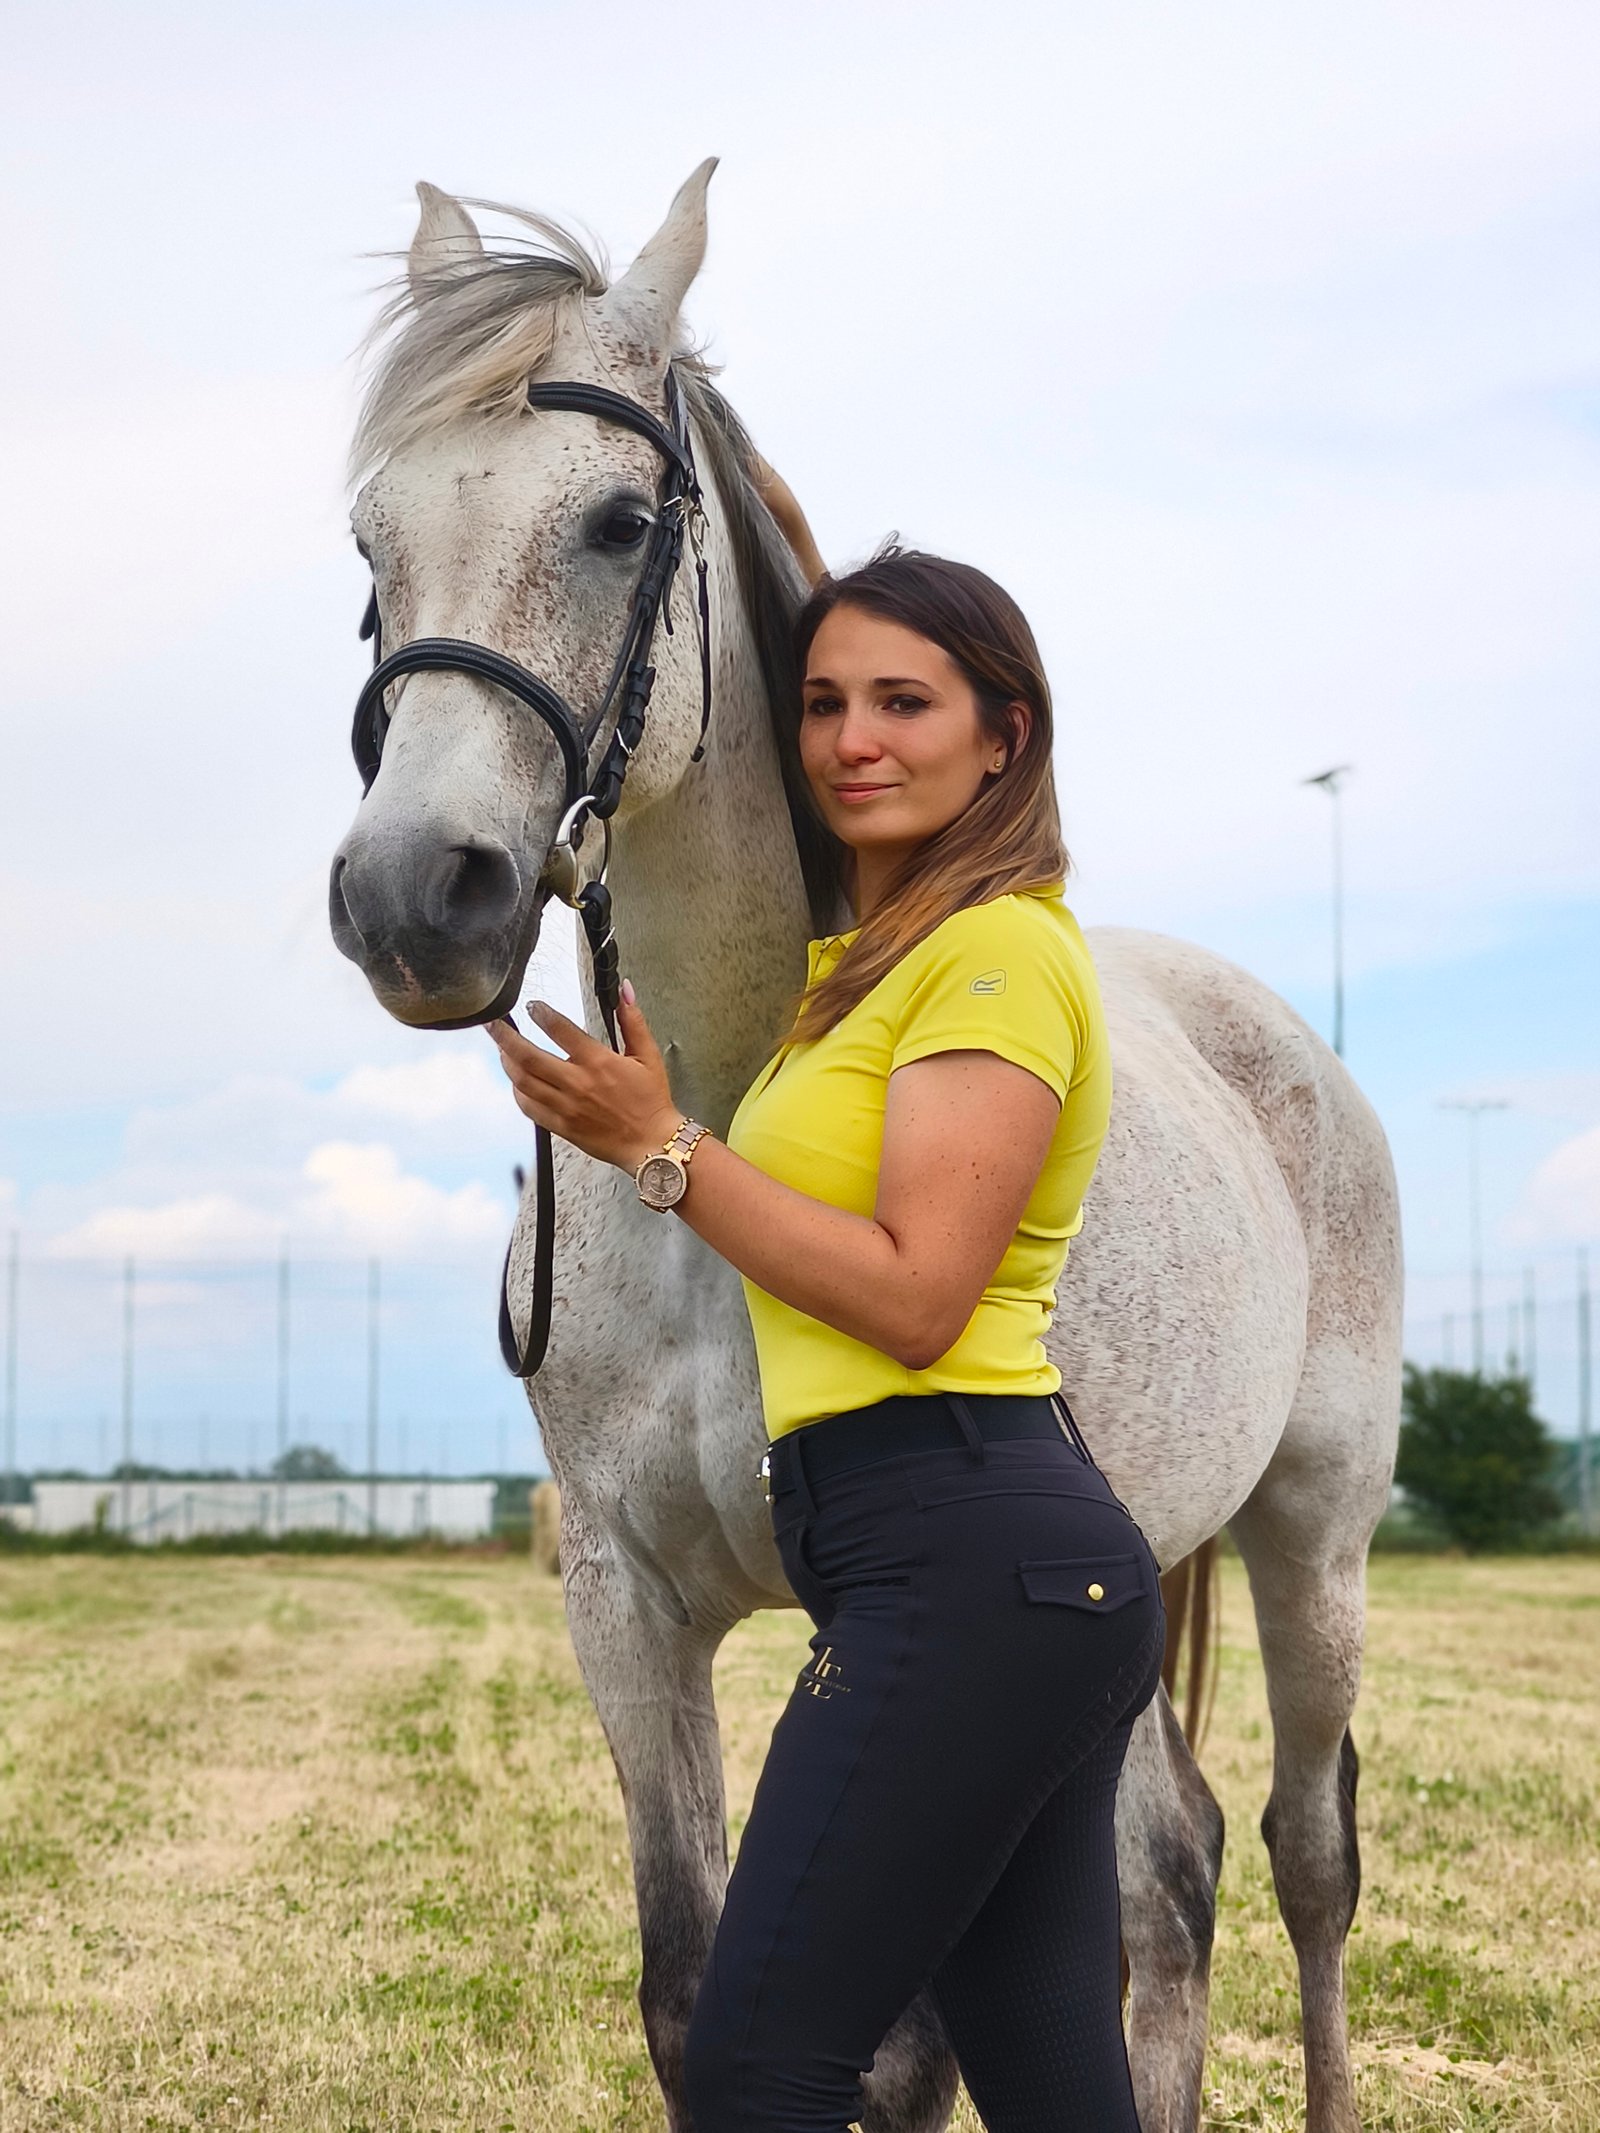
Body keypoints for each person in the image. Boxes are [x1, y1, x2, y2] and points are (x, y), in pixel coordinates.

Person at [487, 545, 1164, 2132]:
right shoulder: (871, 970)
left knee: (755, 2068)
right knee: (1056, 2081)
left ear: (1003, 735)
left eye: (905, 702)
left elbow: (922, 1295)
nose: (853, 739)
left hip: (969, 1554)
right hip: (977, 1559)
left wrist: (664, 1148)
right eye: (822, 702)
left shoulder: (997, 952)